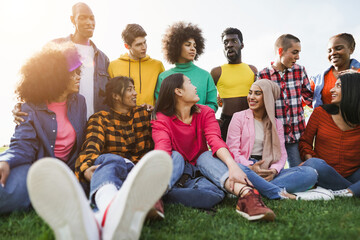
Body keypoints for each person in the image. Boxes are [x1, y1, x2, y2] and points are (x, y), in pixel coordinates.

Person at [27, 76, 173, 240]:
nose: (135, 93)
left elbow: (170, 122)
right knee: (112, 159)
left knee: (201, 195)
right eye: (130, 89)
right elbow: (91, 146)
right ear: (116, 96)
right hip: (110, 170)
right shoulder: (100, 118)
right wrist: (86, 168)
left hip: (135, 172)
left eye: (134, 89)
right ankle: (113, 209)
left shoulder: (144, 114)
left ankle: (100, 216)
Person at [152, 73, 276, 221]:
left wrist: (232, 166)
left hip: (200, 171)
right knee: (175, 156)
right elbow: (162, 149)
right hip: (175, 170)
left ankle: (247, 198)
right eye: (190, 83)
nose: (195, 87)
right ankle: (154, 196)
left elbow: (215, 140)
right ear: (178, 91)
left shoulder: (205, 112)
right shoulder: (161, 117)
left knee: (213, 190)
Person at [0, 42, 87, 214]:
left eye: (80, 71)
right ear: (58, 76)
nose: (79, 76)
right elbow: (23, 144)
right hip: (36, 168)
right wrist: (6, 161)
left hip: (68, 170)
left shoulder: (80, 102)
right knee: (10, 192)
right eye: (74, 73)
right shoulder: (30, 108)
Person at [13, 2, 110, 123]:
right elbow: (35, 82)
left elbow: (109, 98)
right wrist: (22, 106)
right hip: (61, 126)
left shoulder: (103, 59)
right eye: (82, 17)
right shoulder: (55, 47)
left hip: (95, 128)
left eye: (92, 18)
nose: (89, 22)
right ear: (72, 20)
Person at [226, 79, 318, 195]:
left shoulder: (276, 124)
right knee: (236, 167)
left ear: (268, 97)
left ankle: (253, 188)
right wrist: (250, 167)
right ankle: (271, 189)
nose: (251, 97)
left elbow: (282, 153)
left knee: (310, 173)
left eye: (257, 93)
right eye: (250, 93)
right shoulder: (238, 117)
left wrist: (274, 170)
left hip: (268, 168)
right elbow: (233, 150)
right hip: (246, 167)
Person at [300, 73, 360, 198]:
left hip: (353, 174)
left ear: (352, 90)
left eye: (338, 86)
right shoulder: (320, 113)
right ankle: (353, 190)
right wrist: (310, 160)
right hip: (324, 171)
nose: (332, 90)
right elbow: (305, 142)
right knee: (315, 163)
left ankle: (345, 192)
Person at [257, 34, 313, 167]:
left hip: (296, 135)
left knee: (301, 171)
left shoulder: (300, 70)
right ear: (280, 51)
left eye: (298, 53)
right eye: (294, 52)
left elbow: (309, 97)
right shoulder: (263, 75)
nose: (297, 57)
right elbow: (259, 107)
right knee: (273, 172)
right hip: (274, 138)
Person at [154, 22, 218, 112]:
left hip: (200, 125)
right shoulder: (163, 77)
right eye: (188, 45)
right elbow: (161, 107)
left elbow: (213, 105)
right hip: (172, 125)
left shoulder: (205, 75)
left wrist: (195, 115)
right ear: (176, 46)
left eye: (194, 46)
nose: (193, 48)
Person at [211, 27, 257, 141]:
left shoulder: (252, 70)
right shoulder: (216, 72)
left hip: (250, 122)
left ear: (242, 45)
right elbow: (207, 99)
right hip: (226, 124)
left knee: (251, 157)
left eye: (234, 41)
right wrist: (212, 120)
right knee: (226, 158)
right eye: (225, 42)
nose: (229, 45)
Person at [108, 24, 165, 108]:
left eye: (145, 42)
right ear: (127, 46)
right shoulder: (114, 65)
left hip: (148, 116)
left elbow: (163, 94)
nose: (144, 47)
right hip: (122, 118)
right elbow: (110, 97)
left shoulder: (157, 65)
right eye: (138, 45)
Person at [312, 33, 360, 108]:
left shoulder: (358, 72)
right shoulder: (318, 81)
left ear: (351, 49)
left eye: (338, 48)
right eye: (329, 51)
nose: (333, 53)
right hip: (326, 119)